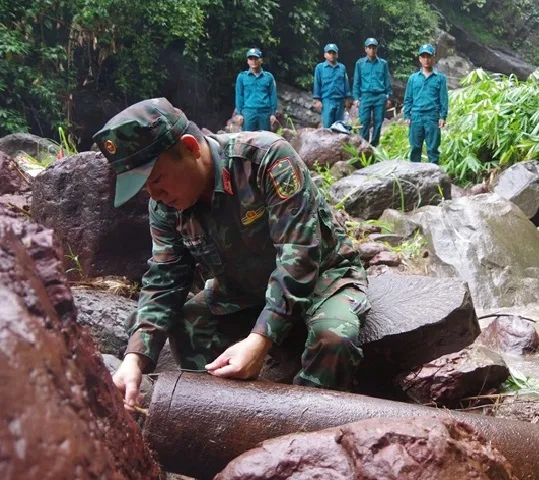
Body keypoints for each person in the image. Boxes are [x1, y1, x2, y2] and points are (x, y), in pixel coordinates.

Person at [93, 98, 369, 411]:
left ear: (190, 148)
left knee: (334, 339)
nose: (155, 196)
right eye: (146, 189)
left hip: (324, 277)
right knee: (185, 325)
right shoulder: (165, 206)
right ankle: (220, 413)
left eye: (156, 180)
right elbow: (164, 279)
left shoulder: (265, 159)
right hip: (241, 289)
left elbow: (301, 255)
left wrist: (261, 339)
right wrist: (134, 358)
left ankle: (300, 429)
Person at [403, 44, 448, 164]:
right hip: (416, 117)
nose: (426, 59)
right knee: (415, 148)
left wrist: (443, 116)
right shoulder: (413, 78)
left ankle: (434, 178)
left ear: (434, 58)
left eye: (428, 56)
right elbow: (408, 98)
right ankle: (414, 176)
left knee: (433, 149)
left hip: (432, 117)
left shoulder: (440, 78)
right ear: (419, 59)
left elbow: (443, 99)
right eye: (423, 56)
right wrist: (407, 116)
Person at [352, 38, 393, 146]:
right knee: (364, 121)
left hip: (380, 96)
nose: (372, 50)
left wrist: (388, 97)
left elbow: (387, 80)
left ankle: (374, 146)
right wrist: (356, 98)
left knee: (378, 122)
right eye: (369, 47)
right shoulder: (360, 63)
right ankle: (364, 145)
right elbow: (356, 81)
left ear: (377, 49)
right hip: (365, 96)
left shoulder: (383, 63)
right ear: (365, 49)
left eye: (374, 47)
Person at [235, 48, 278, 132]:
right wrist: (239, 114)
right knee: (247, 140)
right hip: (248, 113)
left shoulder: (268, 77)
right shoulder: (242, 77)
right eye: (250, 59)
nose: (253, 61)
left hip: (264, 113)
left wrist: (273, 114)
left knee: (265, 140)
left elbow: (273, 95)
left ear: (261, 60)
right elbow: (239, 96)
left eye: (256, 58)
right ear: (247, 61)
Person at [313, 43, 351, 128]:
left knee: (339, 127)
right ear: (325, 54)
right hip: (327, 100)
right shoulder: (320, 68)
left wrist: (348, 98)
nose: (332, 55)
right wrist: (317, 100)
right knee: (327, 126)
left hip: (340, 101)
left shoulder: (342, 68)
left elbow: (346, 83)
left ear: (337, 55)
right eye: (329, 53)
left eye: (334, 53)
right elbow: (317, 83)